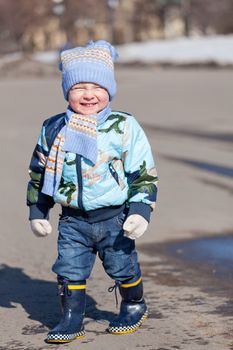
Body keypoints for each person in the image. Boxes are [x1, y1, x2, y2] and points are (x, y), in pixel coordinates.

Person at [27, 40, 158, 343]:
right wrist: (38, 210)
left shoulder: (123, 126)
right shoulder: (53, 128)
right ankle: (72, 317)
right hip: (72, 220)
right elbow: (40, 171)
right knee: (69, 270)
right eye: (78, 87)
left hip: (115, 218)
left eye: (97, 86)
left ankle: (134, 303)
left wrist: (141, 210)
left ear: (109, 89)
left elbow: (142, 172)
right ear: (66, 91)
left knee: (121, 266)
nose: (88, 94)